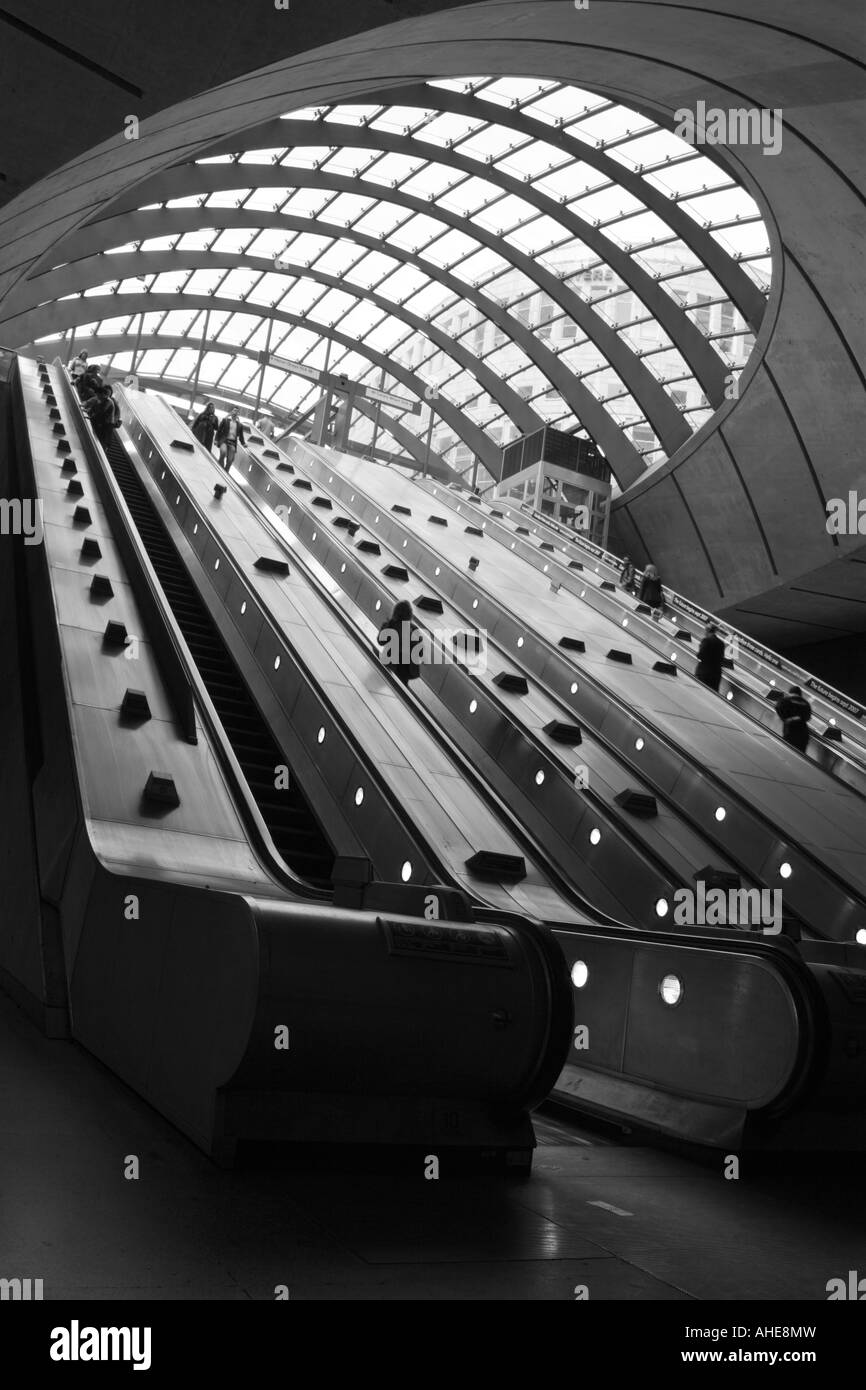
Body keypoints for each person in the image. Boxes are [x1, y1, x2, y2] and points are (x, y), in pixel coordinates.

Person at [376, 600, 423, 686]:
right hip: (406, 669)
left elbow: (380, 641)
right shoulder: (414, 629)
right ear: (410, 614)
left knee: (388, 685)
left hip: (391, 664)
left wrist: (386, 626)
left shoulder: (391, 625)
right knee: (401, 688)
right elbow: (420, 653)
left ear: (395, 612)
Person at [84, 383, 120, 453]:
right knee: (99, 435)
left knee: (105, 438)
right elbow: (94, 405)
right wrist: (88, 410)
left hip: (108, 423)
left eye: (98, 395)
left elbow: (101, 411)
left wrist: (92, 416)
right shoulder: (100, 399)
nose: (97, 396)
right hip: (103, 422)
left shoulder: (109, 401)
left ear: (103, 394)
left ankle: (102, 451)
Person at [776, 684, 812, 753]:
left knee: (788, 752)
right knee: (800, 755)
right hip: (803, 734)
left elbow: (778, 707)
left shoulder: (785, 700)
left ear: (790, 693)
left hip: (790, 732)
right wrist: (798, 718)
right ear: (800, 694)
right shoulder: (806, 703)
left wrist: (786, 719)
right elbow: (808, 717)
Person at [694, 620, 726, 692]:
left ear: (707, 631)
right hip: (716, 674)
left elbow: (700, 655)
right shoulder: (721, 643)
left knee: (701, 692)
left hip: (704, 672)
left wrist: (698, 654)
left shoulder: (706, 640)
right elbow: (721, 658)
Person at [215, 407, 245, 471]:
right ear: (231, 412)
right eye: (234, 410)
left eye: (237, 411)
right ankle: (220, 467)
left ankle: (226, 470)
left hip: (232, 443)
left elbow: (241, 436)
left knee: (230, 460)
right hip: (224, 441)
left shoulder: (239, 425)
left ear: (238, 414)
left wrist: (243, 443)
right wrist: (216, 439)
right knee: (223, 452)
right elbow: (219, 430)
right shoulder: (226, 420)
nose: (235, 412)